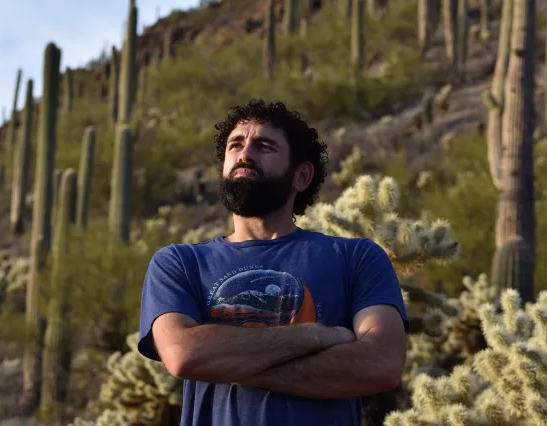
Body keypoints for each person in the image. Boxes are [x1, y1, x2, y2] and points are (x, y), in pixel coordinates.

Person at [138, 99, 410, 426]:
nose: (244, 154)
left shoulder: (357, 258)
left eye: (264, 146)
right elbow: (183, 355)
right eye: (235, 145)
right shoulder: (180, 263)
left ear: (301, 176)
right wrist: (316, 338)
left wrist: (227, 360)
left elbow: (381, 364)